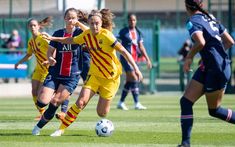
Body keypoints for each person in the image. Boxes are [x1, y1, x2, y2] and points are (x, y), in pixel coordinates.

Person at [39, 9, 142, 137]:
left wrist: (136, 69)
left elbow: (125, 53)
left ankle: (103, 117)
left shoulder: (107, 36)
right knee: (80, 102)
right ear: (89, 23)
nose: (95, 26)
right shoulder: (86, 35)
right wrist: (52, 38)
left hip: (111, 79)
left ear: (101, 23)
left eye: (97, 23)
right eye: (92, 23)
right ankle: (60, 130)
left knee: (102, 113)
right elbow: (70, 40)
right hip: (94, 76)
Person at [178, 0, 235, 147]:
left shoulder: (192, 21)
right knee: (185, 102)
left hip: (216, 69)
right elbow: (229, 42)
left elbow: (201, 42)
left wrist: (189, 58)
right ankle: (185, 144)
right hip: (211, 66)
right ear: (201, 5)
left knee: (215, 110)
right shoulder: (210, 17)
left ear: (186, 6)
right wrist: (212, 56)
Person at [31, 8, 90, 135]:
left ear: (77, 19)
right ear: (64, 19)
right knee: (42, 102)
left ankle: (38, 127)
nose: (71, 20)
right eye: (68, 17)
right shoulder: (58, 33)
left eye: (73, 18)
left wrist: (78, 23)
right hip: (55, 73)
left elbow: (89, 32)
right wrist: (50, 58)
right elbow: (50, 51)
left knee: (54, 102)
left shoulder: (80, 33)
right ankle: (60, 98)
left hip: (71, 76)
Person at [15, 17, 52, 120]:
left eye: (34, 25)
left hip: (48, 69)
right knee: (34, 92)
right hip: (39, 69)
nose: (32, 27)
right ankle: (42, 113)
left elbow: (54, 49)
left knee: (41, 94)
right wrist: (18, 62)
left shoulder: (43, 37)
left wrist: (49, 60)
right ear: (28, 27)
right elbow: (29, 55)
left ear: (38, 26)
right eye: (30, 26)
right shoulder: (31, 41)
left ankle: (51, 105)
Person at [117, 13, 152, 110]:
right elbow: (116, 42)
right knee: (135, 78)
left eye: (134, 20)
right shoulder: (123, 32)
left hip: (134, 60)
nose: (132, 22)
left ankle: (121, 102)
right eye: (130, 20)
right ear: (128, 21)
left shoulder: (138, 33)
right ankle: (137, 103)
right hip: (126, 59)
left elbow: (141, 47)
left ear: (136, 21)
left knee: (129, 81)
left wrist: (148, 59)